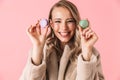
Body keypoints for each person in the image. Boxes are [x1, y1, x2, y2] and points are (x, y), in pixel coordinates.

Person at [20, 0, 105, 80]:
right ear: (51, 24)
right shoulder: (38, 51)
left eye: (70, 21)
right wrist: (38, 48)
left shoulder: (91, 54)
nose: (64, 27)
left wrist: (86, 55)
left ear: (76, 23)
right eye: (58, 21)